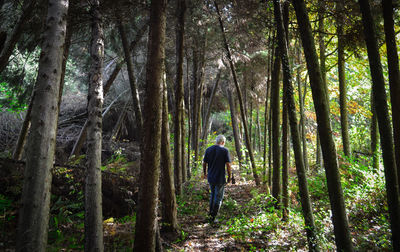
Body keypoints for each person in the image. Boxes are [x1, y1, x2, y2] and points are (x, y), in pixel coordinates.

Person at [203, 134, 232, 223]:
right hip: (220, 177)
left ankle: (210, 214)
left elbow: (204, 163)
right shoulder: (224, 150)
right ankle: (213, 216)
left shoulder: (208, 149)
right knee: (218, 197)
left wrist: (205, 173)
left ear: (216, 141)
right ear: (223, 142)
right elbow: (228, 165)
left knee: (212, 195)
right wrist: (229, 176)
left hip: (211, 177)